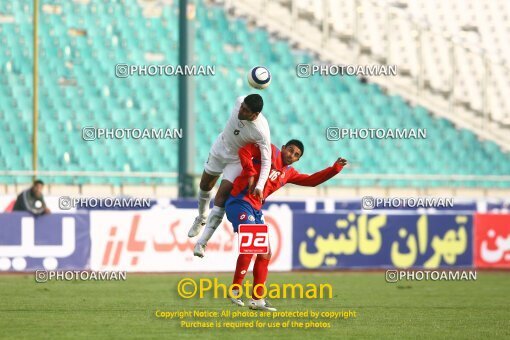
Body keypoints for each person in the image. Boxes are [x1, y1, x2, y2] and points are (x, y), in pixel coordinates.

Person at [225, 140, 347, 311]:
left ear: (298, 160)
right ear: (283, 148)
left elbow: (311, 181)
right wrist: (250, 171)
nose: (291, 155)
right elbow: (245, 150)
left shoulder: (288, 173)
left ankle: (257, 299)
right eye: (290, 150)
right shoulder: (269, 151)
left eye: (296, 155)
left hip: (255, 209)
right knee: (252, 244)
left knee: (265, 253)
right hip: (239, 201)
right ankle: (235, 289)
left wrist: (334, 169)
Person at [188, 94, 272, 258]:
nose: (241, 110)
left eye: (246, 110)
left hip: (237, 160)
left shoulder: (261, 132)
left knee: (221, 197)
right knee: (205, 186)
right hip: (220, 148)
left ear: (255, 115)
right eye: (242, 107)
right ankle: (201, 217)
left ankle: (202, 243)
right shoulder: (240, 101)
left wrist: (260, 186)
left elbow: (267, 161)